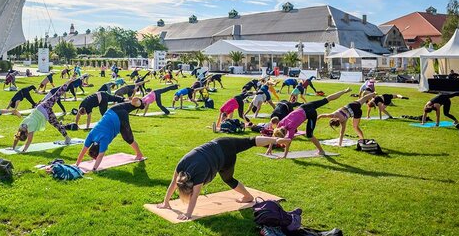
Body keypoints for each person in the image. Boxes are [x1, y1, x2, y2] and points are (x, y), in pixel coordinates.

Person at [158, 136, 291, 221]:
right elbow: (173, 184)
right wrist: (166, 202)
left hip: (224, 158)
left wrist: (188, 213)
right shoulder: (181, 165)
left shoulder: (198, 175)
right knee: (250, 141)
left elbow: (195, 195)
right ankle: (275, 140)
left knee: (228, 179)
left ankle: (248, 197)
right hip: (221, 142)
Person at [272, 88, 351, 158]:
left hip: (310, 113)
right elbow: (274, 135)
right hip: (305, 106)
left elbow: (288, 143)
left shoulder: (291, 129)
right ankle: (344, 91)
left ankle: (321, 151)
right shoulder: (280, 123)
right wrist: (270, 149)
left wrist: (284, 156)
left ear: (284, 133)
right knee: (326, 99)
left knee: (309, 135)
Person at [75, 99, 145, 171]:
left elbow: (100, 156)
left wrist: (94, 169)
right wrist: (76, 164)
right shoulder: (91, 136)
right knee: (131, 105)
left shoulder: (104, 140)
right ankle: (141, 104)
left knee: (128, 138)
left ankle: (139, 154)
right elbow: (83, 151)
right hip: (112, 110)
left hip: (120, 118)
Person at [12, 83, 73, 152]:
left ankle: (67, 138)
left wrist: (24, 150)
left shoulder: (30, 128)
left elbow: (29, 141)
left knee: (57, 124)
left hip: (45, 112)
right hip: (42, 108)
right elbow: (17, 137)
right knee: (56, 96)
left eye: (26, 134)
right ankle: (67, 138)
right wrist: (13, 147)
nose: (28, 134)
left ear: (25, 133)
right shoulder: (21, 126)